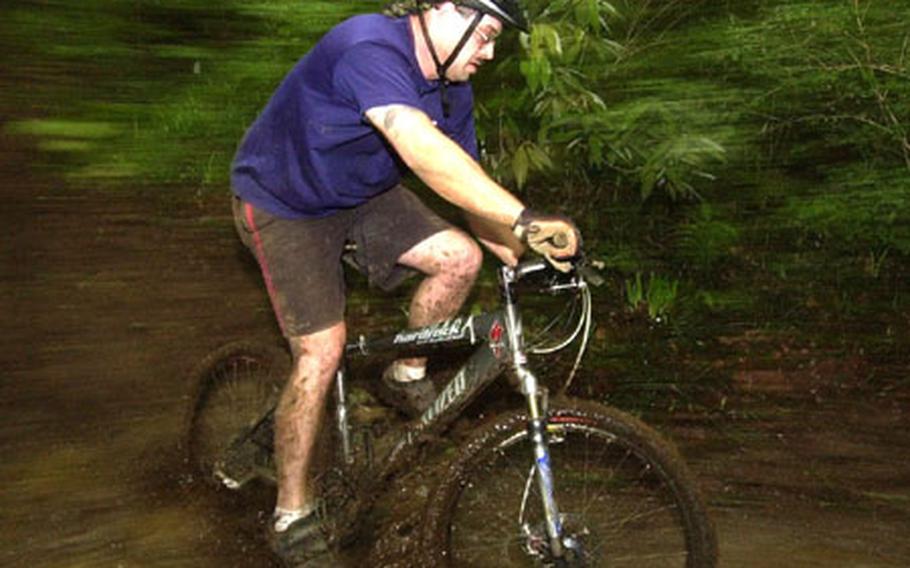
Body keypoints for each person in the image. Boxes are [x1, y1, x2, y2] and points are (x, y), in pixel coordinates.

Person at [229, 0, 580, 560]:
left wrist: (521, 254)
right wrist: (526, 219)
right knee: (321, 350)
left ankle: (404, 373)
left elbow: (465, 188)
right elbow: (418, 147)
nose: (489, 53)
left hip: (361, 196)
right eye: (486, 35)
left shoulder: (451, 88)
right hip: (284, 202)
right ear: (442, 8)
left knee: (461, 258)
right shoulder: (368, 45)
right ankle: (290, 513)